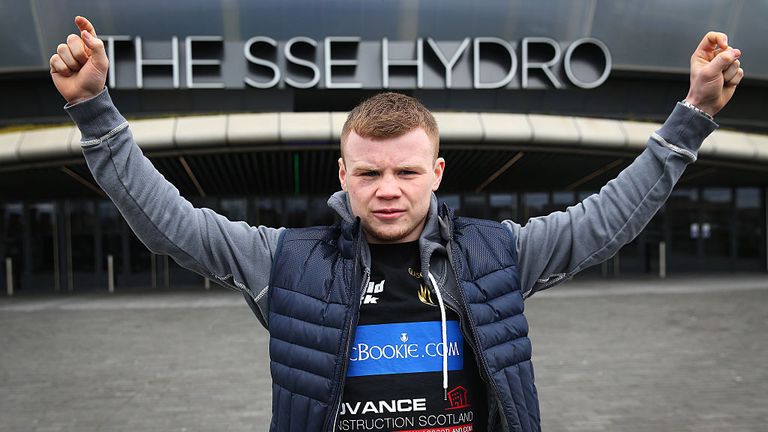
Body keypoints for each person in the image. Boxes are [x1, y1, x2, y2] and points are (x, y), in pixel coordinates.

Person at [50, 16, 743, 432]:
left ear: (436, 175)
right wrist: (96, 114)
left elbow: (605, 221)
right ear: (343, 175)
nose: (388, 190)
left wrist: (694, 115)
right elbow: (173, 223)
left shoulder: (495, 254)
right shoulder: (285, 261)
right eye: (369, 172)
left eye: (407, 172)